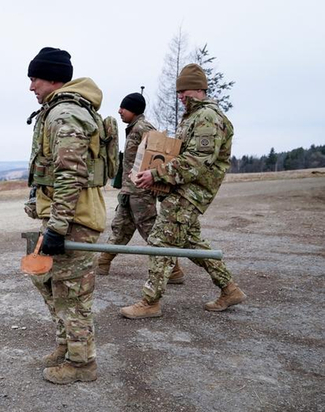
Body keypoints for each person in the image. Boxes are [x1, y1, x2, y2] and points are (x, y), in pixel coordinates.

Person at [120, 63, 247, 319]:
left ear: (199, 88)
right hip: (182, 190)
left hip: (190, 192)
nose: (180, 96)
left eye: (184, 91)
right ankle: (230, 289)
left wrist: (156, 174)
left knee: (160, 241)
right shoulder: (193, 116)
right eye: (179, 92)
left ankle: (150, 302)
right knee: (192, 242)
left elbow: (196, 161)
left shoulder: (208, 117)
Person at [24, 47, 107, 384]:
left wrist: (58, 228)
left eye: (35, 79)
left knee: (72, 294)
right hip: (62, 218)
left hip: (74, 222)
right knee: (45, 279)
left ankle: (82, 364)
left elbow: (70, 174)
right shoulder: (59, 111)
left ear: (54, 78)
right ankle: (66, 345)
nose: (31, 87)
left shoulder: (66, 115)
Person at [95, 92, 185, 283]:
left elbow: (158, 156)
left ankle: (174, 270)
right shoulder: (134, 127)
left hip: (141, 192)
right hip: (130, 191)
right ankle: (103, 262)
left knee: (150, 230)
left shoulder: (143, 128)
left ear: (134, 109)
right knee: (120, 228)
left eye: (124, 107)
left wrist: (154, 181)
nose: (119, 111)